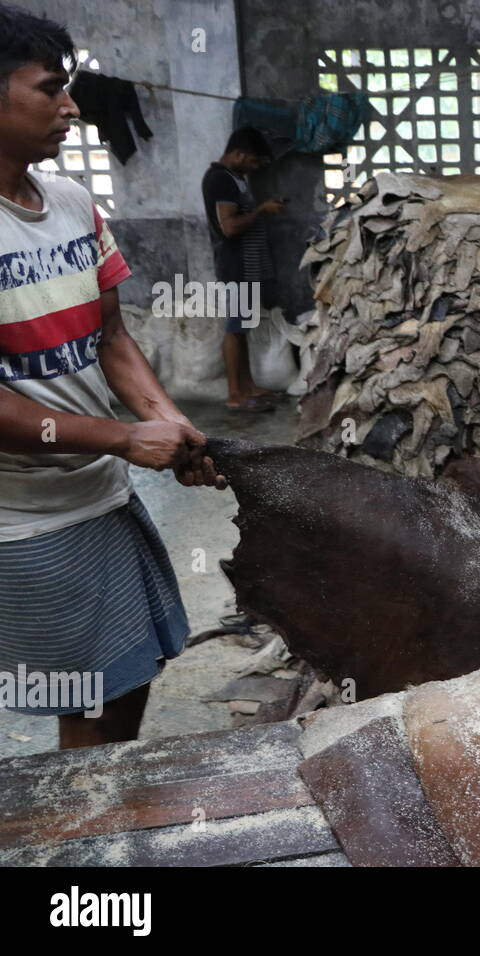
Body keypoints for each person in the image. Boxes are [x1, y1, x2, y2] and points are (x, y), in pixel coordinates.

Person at [0, 4, 225, 748]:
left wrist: (173, 425)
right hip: (25, 521)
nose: (71, 107)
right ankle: (79, 852)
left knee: (124, 685)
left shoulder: (71, 205)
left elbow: (113, 340)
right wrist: (125, 438)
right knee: (87, 710)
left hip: (101, 497)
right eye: (49, 88)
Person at [201, 126, 284, 411]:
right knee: (235, 329)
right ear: (238, 153)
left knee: (243, 328)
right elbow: (229, 227)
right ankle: (235, 395)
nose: (255, 168)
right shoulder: (220, 180)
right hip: (235, 266)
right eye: (252, 161)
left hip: (246, 267)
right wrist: (261, 211)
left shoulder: (234, 178)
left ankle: (247, 387)